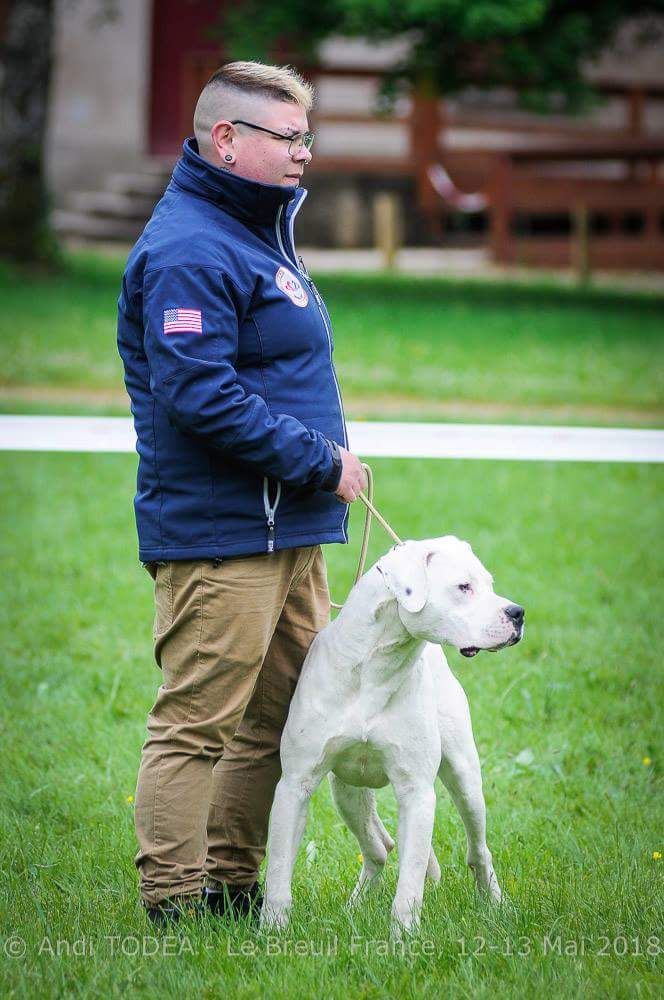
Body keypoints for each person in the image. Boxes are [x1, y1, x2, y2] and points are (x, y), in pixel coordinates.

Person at [117, 61, 366, 924]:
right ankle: (173, 904)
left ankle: (229, 885)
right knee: (197, 723)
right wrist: (321, 460)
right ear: (226, 139)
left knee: (281, 717)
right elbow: (199, 393)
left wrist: (315, 472)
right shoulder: (191, 246)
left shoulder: (254, 232)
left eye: (308, 137)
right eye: (287, 137)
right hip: (223, 533)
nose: (305, 153)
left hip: (289, 525)